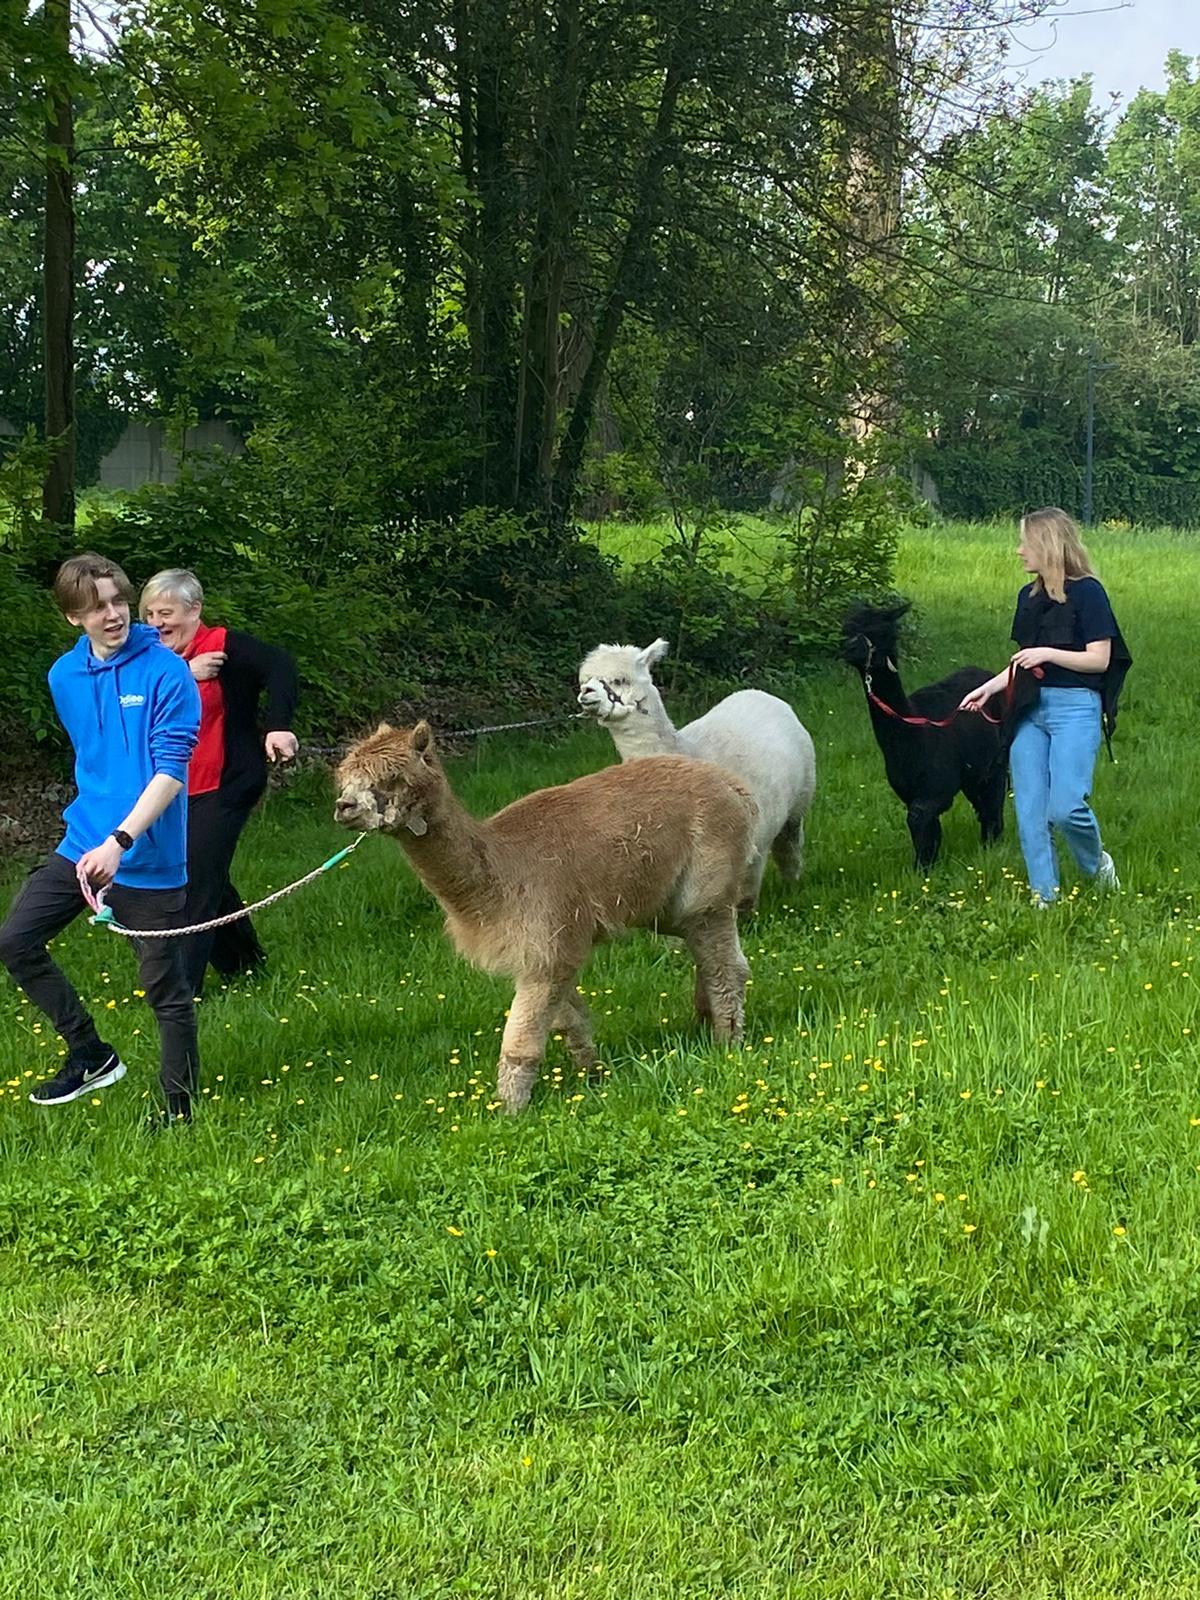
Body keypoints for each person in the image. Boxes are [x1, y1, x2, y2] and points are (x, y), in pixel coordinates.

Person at [0, 552, 201, 1120]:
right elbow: (94, 760)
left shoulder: (166, 671)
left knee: (166, 991)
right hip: (82, 845)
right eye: (97, 607)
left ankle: (178, 1112)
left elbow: (169, 771)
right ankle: (90, 1053)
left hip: (147, 855)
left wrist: (121, 841)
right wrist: (99, 840)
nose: (114, 614)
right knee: (15, 941)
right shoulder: (63, 676)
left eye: (119, 601)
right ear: (73, 617)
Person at [959, 507, 1131, 908]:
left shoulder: (1088, 593)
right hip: (1030, 711)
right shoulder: (1029, 597)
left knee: (1067, 807)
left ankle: (1096, 866)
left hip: (1076, 709)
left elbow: (1099, 660)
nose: (1020, 551)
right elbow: (1025, 661)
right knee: (1031, 814)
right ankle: (1045, 898)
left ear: (1047, 545)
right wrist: (987, 689)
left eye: (1026, 543)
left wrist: (1049, 654)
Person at [139, 569, 299, 997]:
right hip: (169, 789)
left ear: (195, 610)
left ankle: (181, 991)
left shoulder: (224, 647)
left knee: (193, 880)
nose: (157, 622)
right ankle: (245, 962)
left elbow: (281, 666)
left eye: (166, 612)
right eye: (150, 613)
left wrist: (277, 726)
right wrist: (185, 672)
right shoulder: (148, 657)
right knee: (206, 875)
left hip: (227, 780)